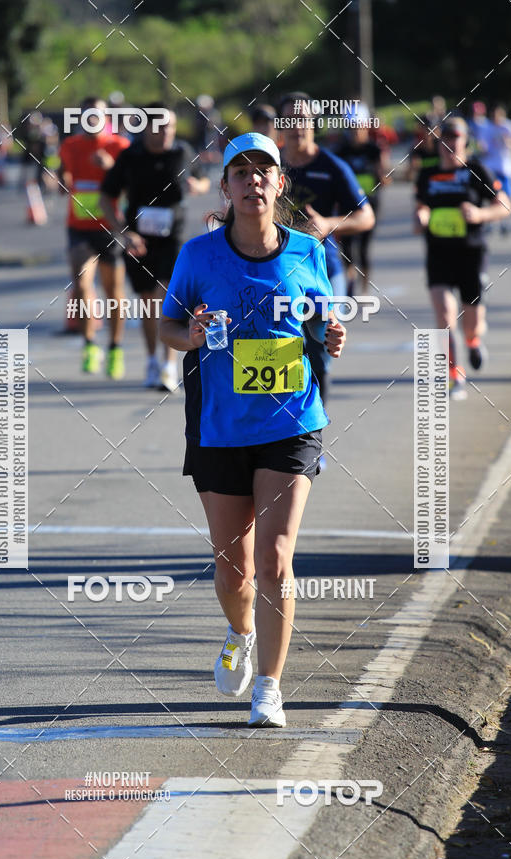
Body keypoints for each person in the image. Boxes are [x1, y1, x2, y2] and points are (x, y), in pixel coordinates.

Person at [159, 133, 346, 727]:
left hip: (292, 423)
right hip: (219, 427)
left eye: (263, 171)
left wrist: (333, 336)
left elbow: (324, 321)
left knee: (275, 560)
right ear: (226, 187)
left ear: (279, 183)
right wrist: (186, 336)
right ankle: (240, 632)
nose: (253, 181)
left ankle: (269, 687)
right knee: (232, 566)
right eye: (240, 172)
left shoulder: (308, 252)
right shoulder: (197, 256)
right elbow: (166, 324)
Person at [101, 105, 210, 391]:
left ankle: (168, 365)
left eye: (171, 127)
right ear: (146, 128)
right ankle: (151, 360)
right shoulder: (131, 156)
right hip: (139, 240)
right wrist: (123, 232)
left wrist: (197, 186)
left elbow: (204, 180)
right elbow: (106, 195)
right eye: (160, 127)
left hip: (173, 239)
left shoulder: (182, 153)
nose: (166, 133)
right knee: (148, 303)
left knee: (168, 298)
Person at [277, 92, 374, 404]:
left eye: (303, 119)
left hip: (322, 268)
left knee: (320, 343)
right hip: (276, 268)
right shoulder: (269, 164)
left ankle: (313, 433)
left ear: (314, 124)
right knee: (280, 346)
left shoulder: (331, 166)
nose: (297, 126)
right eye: (290, 120)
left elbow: (365, 216)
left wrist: (329, 223)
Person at [414, 117, 511, 397]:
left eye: (456, 138)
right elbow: (419, 210)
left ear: (465, 141)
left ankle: (473, 340)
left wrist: (480, 214)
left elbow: (504, 204)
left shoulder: (475, 171)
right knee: (444, 318)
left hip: (471, 254)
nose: (450, 144)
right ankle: (455, 375)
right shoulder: (427, 175)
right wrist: (421, 216)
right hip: (439, 254)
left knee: (471, 324)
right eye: (445, 138)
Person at [59, 97, 131, 378]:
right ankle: (89, 343)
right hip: (79, 225)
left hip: (110, 226)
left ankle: (115, 348)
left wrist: (111, 166)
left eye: (98, 115)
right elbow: (65, 172)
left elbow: (130, 186)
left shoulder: (119, 147)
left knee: (114, 293)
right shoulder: (70, 146)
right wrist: (60, 178)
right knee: (81, 282)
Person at [337, 120, 386, 293]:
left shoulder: (373, 149)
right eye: (352, 129)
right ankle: (350, 284)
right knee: (347, 247)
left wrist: (383, 175)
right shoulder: (342, 150)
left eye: (359, 128)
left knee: (364, 248)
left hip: (369, 204)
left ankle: (364, 288)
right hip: (347, 204)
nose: (356, 132)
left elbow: (383, 175)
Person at [484, 104, 511, 233]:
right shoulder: (487, 127)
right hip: (491, 166)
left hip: (506, 167)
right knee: (493, 195)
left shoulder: (508, 126)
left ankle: (506, 222)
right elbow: (484, 146)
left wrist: (508, 141)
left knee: (507, 196)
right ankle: (492, 221)